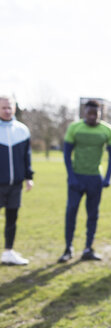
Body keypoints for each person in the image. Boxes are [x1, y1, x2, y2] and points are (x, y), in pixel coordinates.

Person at [58, 100, 111, 263]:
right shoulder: (74, 128)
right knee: (71, 212)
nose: (92, 116)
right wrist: (71, 176)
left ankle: (88, 249)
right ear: (84, 113)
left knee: (93, 215)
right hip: (77, 177)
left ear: (100, 114)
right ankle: (68, 248)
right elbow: (66, 155)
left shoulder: (107, 130)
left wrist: (108, 177)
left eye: (95, 114)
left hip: (94, 179)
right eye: (89, 113)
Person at [0, 96, 34, 265]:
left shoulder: (22, 130)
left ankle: (8, 252)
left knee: (12, 219)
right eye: (3, 107)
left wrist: (29, 177)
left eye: (9, 107)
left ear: (14, 108)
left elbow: (27, 157)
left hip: (16, 185)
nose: (6, 110)